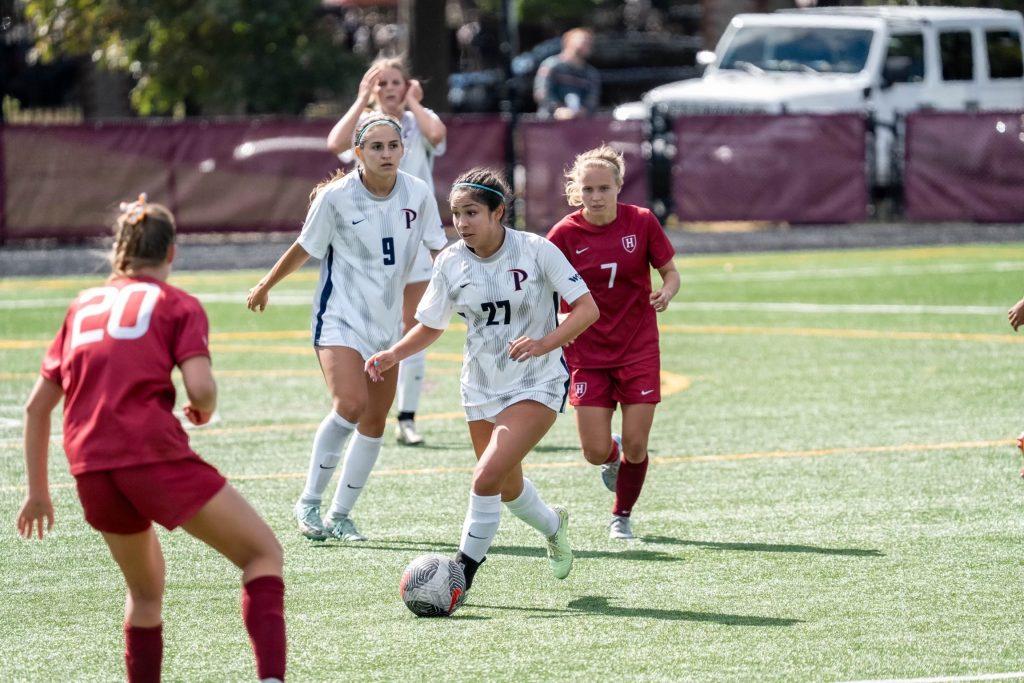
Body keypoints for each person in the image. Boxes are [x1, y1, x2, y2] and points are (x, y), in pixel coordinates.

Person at [16, 195, 286, 682]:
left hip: (91, 467)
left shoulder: (83, 305)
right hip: (149, 454)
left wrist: (37, 492)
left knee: (145, 593)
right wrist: (203, 408)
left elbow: (36, 407)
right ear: (172, 254)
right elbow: (200, 388)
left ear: (120, 251)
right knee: (262, 553)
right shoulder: (176, 303)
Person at [365, 168, 599, 594]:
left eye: (471, 212)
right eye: (456, 214)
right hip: (480, 385)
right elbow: (431, 324)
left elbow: (586, 309)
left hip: (538, 381)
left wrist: (545, 343)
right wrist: (394, 353)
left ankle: (460, 577)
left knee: (484, 476)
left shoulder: (536, 250)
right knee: (506, 486)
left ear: (498, 212)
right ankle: (552, 525)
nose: (462, 223)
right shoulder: (451, 262)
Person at [248, 114, 446, 542]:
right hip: (339, 316)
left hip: (387, 323)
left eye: (393, 145)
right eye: (376, 147)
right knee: (350, 403)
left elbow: (438, 249)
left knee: (375, 421)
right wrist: (266, 284)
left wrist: (465, 287)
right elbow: (305, 247)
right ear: (359, 152)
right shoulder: (337, 197)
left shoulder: (418, 193)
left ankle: (340, 514)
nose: (386, 153)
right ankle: (309, 501)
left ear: (403, 150)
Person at [546, 146, 680, 540]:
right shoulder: (564, 235)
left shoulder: (641, 222)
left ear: (620, 187)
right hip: (586, 352)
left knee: (637, 446)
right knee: (593, 451)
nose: (596, 196)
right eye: (588, 189)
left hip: (638, 347)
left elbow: (670, 272)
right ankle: (610, 453)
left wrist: (667, 292)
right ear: (576, 191)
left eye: (604, 187)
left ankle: (621, 515)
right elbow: (543, 289)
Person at [327, 56, 447, 446]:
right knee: (375, 325)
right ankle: (363, 400)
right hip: (372, 242)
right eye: (381, 83)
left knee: (413, 325)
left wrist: (413, 104)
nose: (389, 88)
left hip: (411, 236)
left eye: (396, 81)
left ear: (408, 84)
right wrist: (362, 98)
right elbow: (335, 144)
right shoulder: (366, 124)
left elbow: (438, 135)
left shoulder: (417, 117)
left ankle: (407, 416)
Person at [533, 28, 601, 120]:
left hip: (580, 126)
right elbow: (541, 92)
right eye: (583, 41)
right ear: (568, 42)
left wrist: (581, 111)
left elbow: (592, 99)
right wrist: (558, 109)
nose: (588, 45)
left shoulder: (591, 73)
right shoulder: (551, 65)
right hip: (549, 123)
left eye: (589, 42)